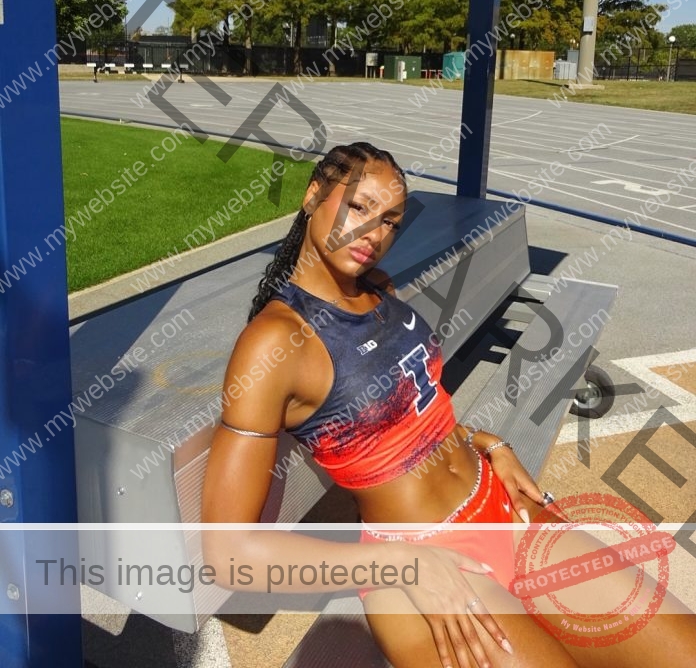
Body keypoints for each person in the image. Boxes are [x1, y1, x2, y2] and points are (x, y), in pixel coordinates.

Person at [202, 142, 696, 668]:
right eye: (359, 206)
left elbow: (413, 412)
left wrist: (487, 442)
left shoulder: (378, 290)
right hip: (423, 563)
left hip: (502, 505)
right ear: (313, 196)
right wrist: (398, 564)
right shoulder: (275, 343)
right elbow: (229, 556)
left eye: (390, 221)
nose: (374, 234)